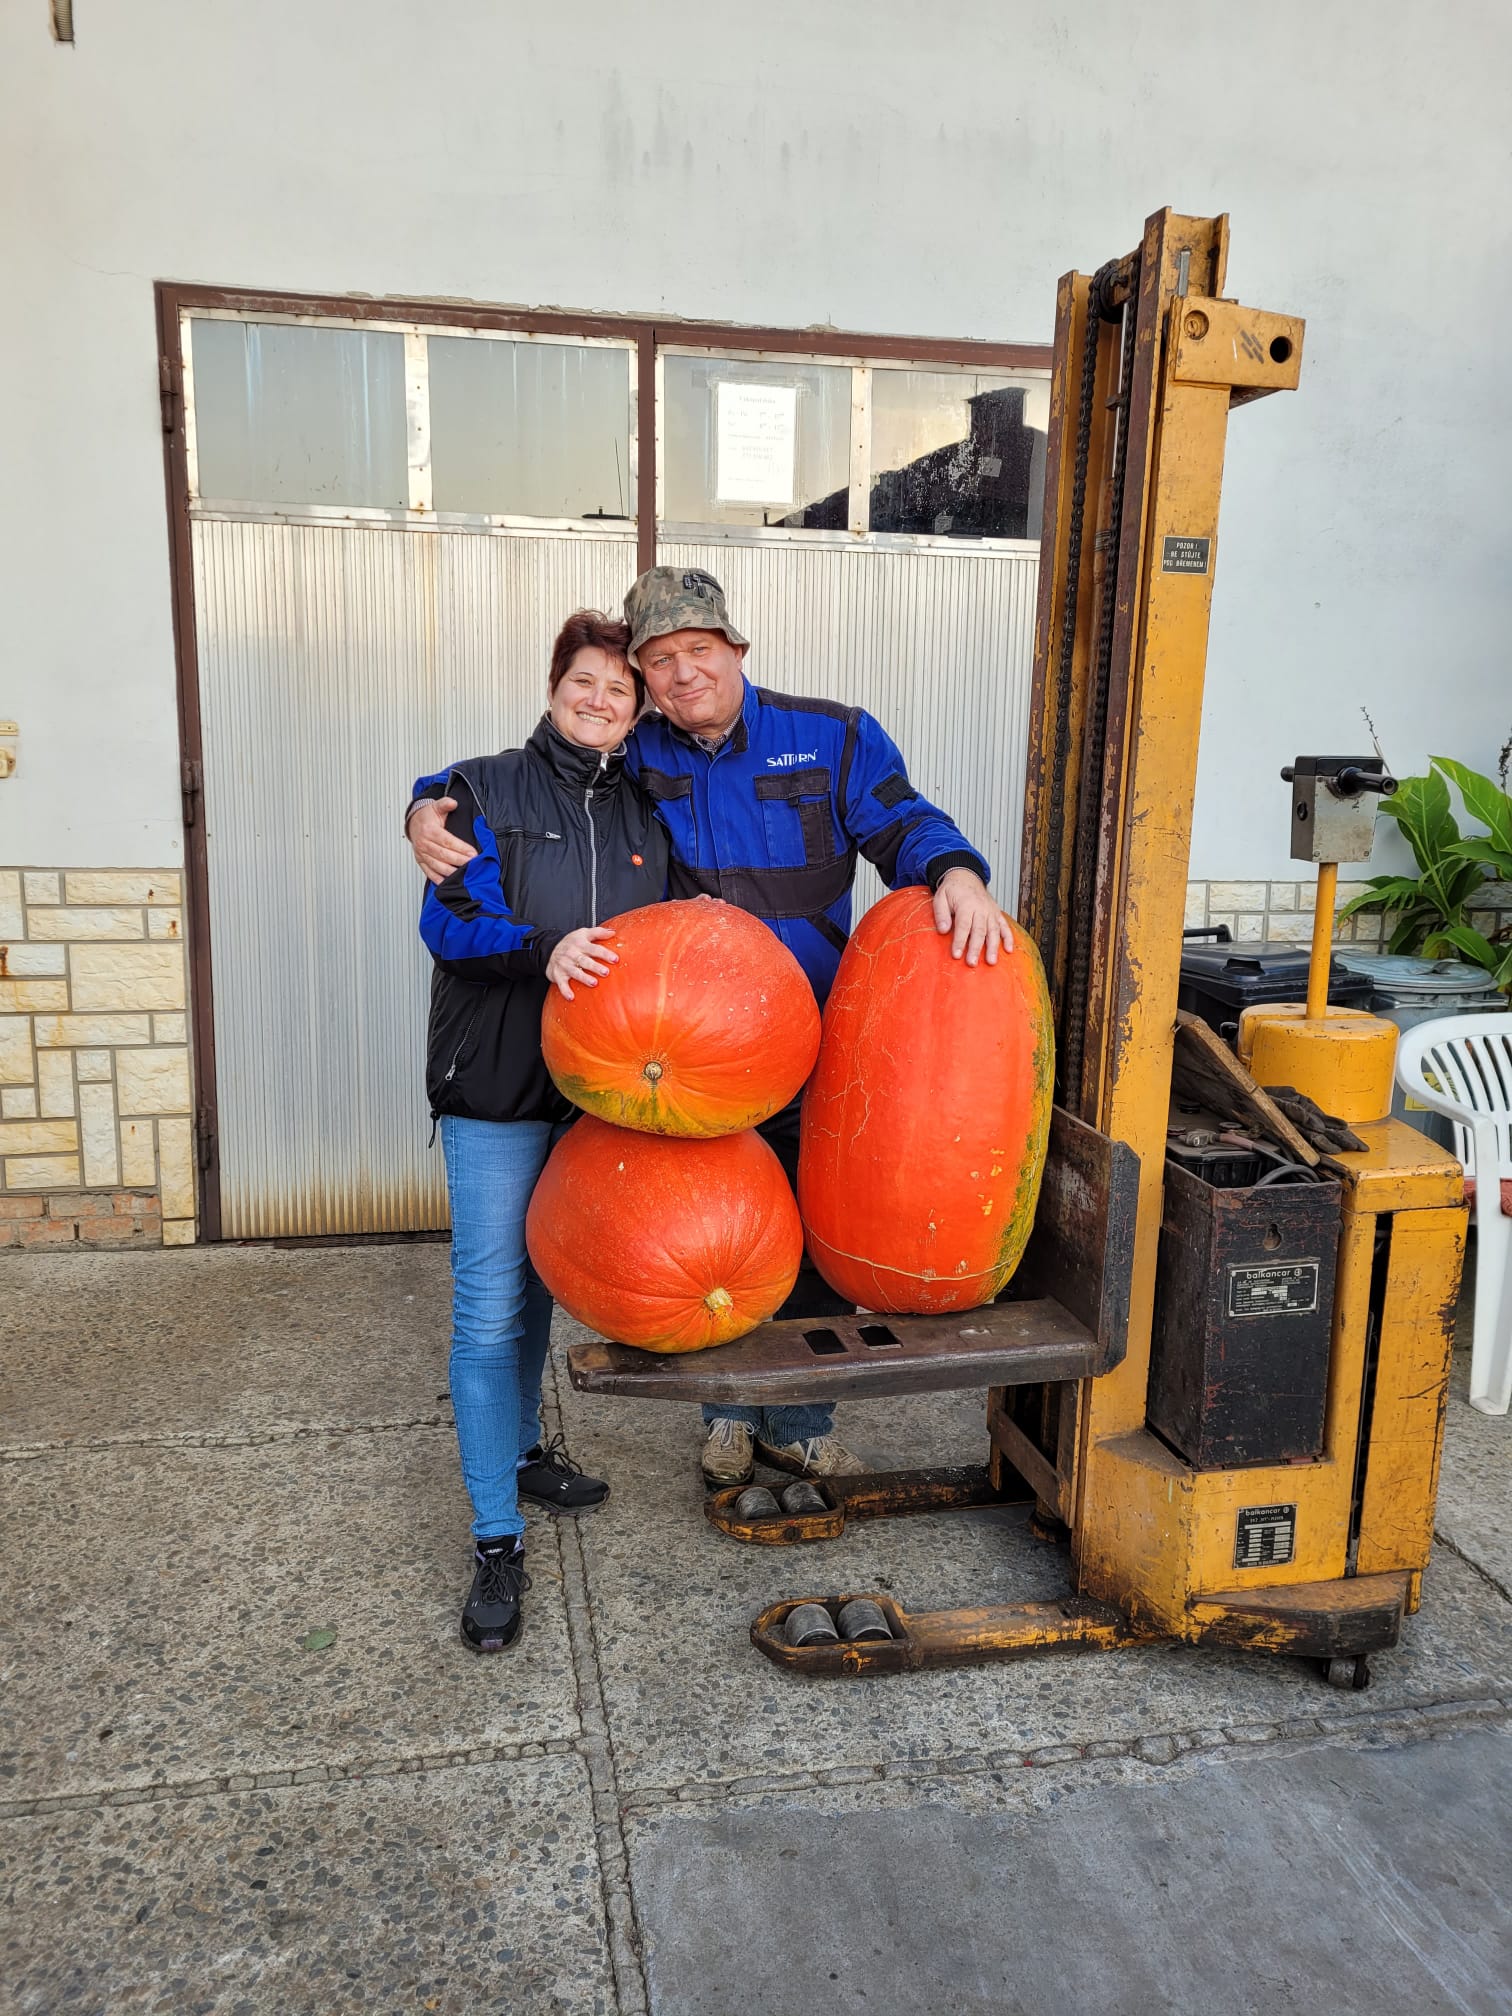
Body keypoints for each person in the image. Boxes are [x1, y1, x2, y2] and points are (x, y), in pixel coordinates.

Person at [408, 568, 1008, 1491]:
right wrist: (424, 806)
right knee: (715, 1239)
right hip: (692, 1058)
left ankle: (802, 1425)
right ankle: (726, 1417)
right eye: (658, 662)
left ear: (736, 650)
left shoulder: (831, 734)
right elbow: (522, 781)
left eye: (698, 652)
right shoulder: (641, 753)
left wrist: (956, 870)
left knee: (811, 1239)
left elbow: (904, 824)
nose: (681, 674)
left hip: (812, 1038)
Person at [418, 609, 669, 1653]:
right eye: (585, 680)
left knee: (541, 1285)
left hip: (597, 1099)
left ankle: (523, 1451)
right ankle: (494, 1539)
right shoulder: (478, 787)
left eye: (620, 688)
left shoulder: (651, 810)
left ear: (637, 709)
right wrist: (547, 947)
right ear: (554, 685)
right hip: (494, 1087)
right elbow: (450, 923)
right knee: (487, 1308)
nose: (600, 699)